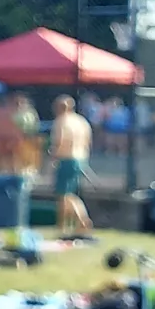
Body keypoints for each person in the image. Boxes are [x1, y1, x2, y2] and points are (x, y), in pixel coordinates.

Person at [48, 93, 95, 236]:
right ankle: (78, 222)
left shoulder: (61, 121)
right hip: (81, 158)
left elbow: (60, 140)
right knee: (71, 194)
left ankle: (74, 223)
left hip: (66, 159)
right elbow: (88, 141)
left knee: (63, 195)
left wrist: (53, 157)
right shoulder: (81, 121)